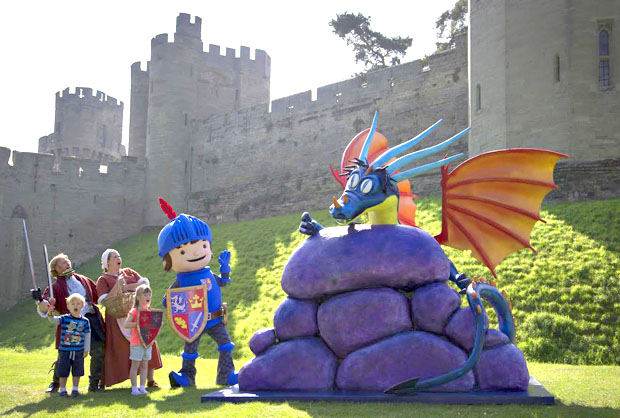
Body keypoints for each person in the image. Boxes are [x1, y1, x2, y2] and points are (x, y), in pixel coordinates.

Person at [158, 197, 238, 387]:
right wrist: (170, 303)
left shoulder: (209, 273)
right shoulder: (182, 279)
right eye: (183, 252)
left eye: (203, 246)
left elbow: (224, 282)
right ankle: (187, 376)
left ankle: (226, 375)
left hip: (216, 319)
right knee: (190, 350)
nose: (196, 253)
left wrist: (225, 268)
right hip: (193, 321)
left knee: (226, 345)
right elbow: (168, 299)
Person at [36, 253, 105, 393]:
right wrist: (40, 301)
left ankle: (94, 385)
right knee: (65, 354)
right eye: (63, 262)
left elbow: (100, 295)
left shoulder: (83, 279)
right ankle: (55, 384)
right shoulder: (54, 287)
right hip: (70, 323)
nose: (67, 263)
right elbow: (45, 306)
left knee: (98, 351)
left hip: (91, 319)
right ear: (56, 269)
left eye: (67, 260)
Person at [95, 249, 162, 388]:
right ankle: (113, 379)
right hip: (116, 317)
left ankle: (150, 380)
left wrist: (126, 287)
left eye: (119, 256)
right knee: (120, 349)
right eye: (114, 257)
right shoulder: (103, 279)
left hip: (138, 312)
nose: (118, 258)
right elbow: (104, 300)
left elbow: (145, 286)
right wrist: (118, 286)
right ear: (107, 262)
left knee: (147, 342)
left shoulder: (129, 272)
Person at [48, 293, 91, 398]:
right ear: (68, 306)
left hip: (79, 351)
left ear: (82, 306)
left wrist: (86, 349)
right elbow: (54, 320)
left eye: (78, 304)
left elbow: (87, 335)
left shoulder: (85, 321)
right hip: (65, 350)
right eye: (72, 304)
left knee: (77, 371)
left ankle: (75, 389)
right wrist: (50, 313)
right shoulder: (65, 318)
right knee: (63, 371)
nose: (75, 306)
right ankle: (63, 390)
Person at [124, 284, 156, 395]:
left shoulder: (150, 311)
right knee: (135, 365)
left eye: (149, 295)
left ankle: (142, 388)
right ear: (138, 297)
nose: (148, 297)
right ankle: (134, 388)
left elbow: (152, 327)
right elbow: (127, 324)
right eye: (145, 295)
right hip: (136, 343)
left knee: (144, 365)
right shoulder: (134, 311)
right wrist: (138, 323)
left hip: (147, 343)